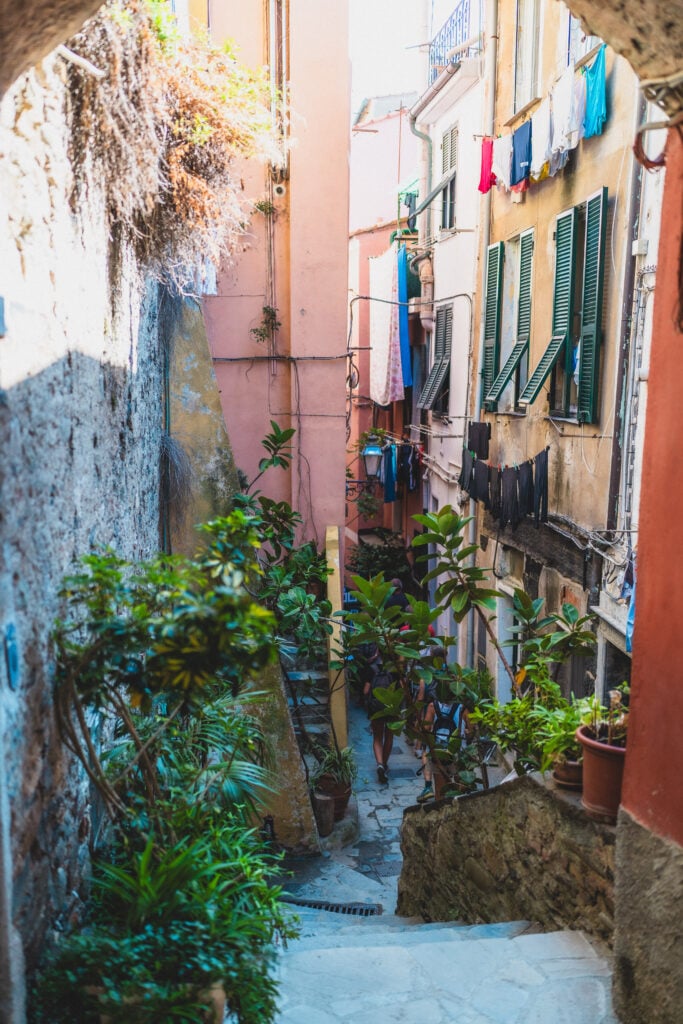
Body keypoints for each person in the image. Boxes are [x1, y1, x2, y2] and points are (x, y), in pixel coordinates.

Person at [417, 681, 470, 803]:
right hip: (457, 752)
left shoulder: (432, 706)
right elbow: (471, 730)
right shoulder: (462, 708)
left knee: (440, 793)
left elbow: (426, 729)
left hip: (438, 753)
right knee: (460, 791)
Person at [362, 647, 397, 784]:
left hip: (376, 708)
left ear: (378, 652)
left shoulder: (371, 668)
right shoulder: (395, 670)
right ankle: (385, 764)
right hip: (391, 707)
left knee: (377, 737)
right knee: (389, 736)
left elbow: (365, 691)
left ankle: (380, 764)